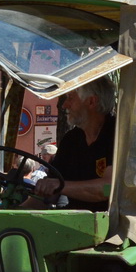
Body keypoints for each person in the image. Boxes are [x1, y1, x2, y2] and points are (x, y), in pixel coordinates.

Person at [32, 78, 116, 211]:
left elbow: (107, 190)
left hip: (113, 225)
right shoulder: (70, 140)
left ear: (91, 102)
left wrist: (60, 186)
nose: (64, 105)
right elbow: (49, 195)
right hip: (74, 224)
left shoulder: (116, 135)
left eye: (70, 98)